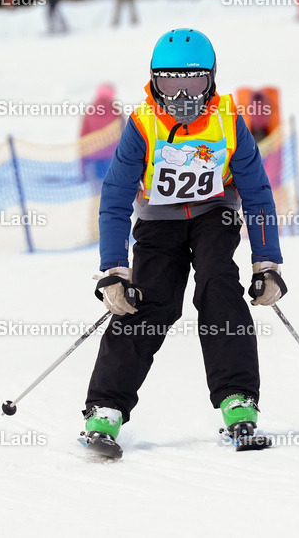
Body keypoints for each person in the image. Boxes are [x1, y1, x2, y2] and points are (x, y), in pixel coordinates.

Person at [82, 28, 286, 455]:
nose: (180, 94)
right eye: (169, 81)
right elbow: (116, 197)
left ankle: (237, 401)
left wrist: (266, 262)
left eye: (192, 82)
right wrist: (115, 269)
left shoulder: (228, 120)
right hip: (159, 223)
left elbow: (256, 191)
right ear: (153, 80)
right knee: (150, 300)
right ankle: (106, 408)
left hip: (215, 214)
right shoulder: (143, 124)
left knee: (217, 283)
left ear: (211, 79)